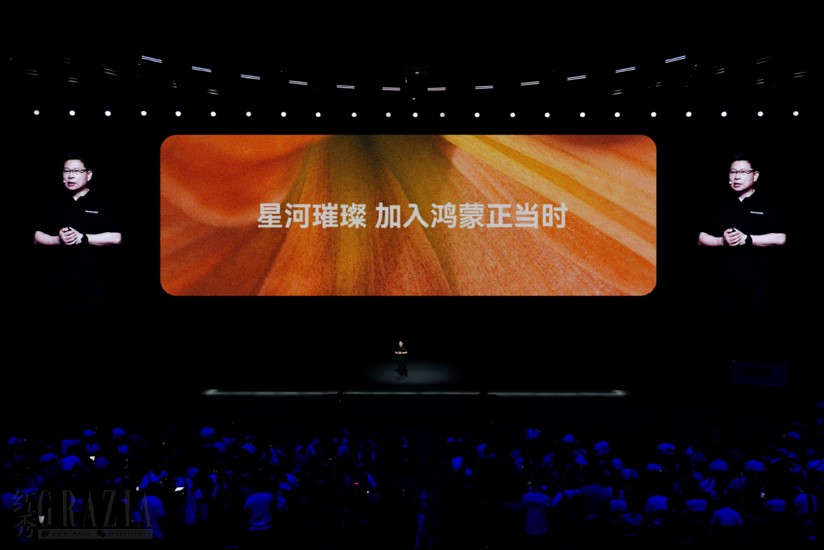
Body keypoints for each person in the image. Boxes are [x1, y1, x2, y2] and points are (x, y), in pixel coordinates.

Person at [696, 151, 788, 318]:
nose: (737, 177)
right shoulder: (718, 203)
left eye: (743, 172)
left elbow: (781, 238)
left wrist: (748, 239)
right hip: (722, 283)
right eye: (733, 172)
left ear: (755, 175)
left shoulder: (768, 203)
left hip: (758, 283)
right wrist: (721, 241)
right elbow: (701, 238)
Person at [33, 151, 123, 313]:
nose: (70, 176)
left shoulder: (103, 202)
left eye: (76, 171)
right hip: (58, 283)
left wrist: (83, 238)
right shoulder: (53, 202)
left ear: (88, 175)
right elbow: (37, 237)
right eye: (67, 171)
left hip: (95, 282)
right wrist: (57, 239)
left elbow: (117, 237)